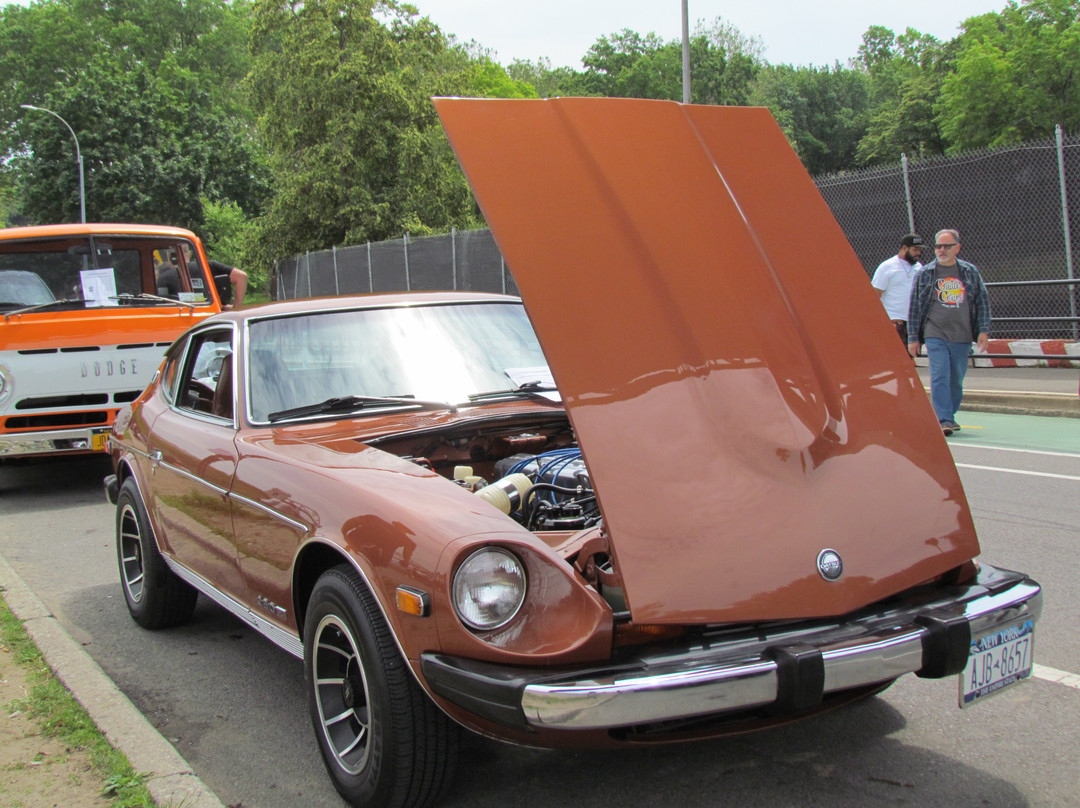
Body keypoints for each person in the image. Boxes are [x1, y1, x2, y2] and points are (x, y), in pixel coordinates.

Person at [907, 229, 990, 436]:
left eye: (946, 246)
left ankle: (949, 415)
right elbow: (915, 307)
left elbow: (982, 301)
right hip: (935, 332)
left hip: (962, 335)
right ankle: (943, 419)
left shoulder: (969, 272)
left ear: (957, 248)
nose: (941, 250)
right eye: (938, 246)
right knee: (939, 375)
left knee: (955, 379)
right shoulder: (925, 274)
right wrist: (914, 338)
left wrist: (983, 330)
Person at [871, 233, 924, 345]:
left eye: (920, 250)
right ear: (905, 248)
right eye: (915, 250)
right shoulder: (887, 267)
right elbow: (875, 295)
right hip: (894, 320)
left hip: (913, 321)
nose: (918, 253)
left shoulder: (919, 267)